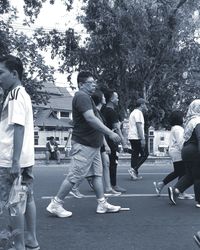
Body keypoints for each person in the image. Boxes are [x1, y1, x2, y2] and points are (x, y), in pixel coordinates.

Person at [46, 71, 122, 218]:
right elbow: (91, 119)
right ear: (81, 84)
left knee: (97, 175)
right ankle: (56, 203)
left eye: (94, 82)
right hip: (84, 144)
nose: (94, 85)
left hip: (93, 145)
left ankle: (102, 203)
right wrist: (111, 133)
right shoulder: (81, 96)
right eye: (90, 83)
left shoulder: (86, 98)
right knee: (74, 176)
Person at [0, 55, 39, 250]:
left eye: (1, 73)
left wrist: (14, 162)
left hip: (11, 160)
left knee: (14, 202)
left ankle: (19, 245)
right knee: (26, 198)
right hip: (24, 159)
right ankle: (30, 240)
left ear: (14, 74)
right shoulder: (21, 94)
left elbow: (18, 127)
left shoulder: (15, 94)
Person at [153, 111, 193, 199]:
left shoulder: (175, 128)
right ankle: (174, 189)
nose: (184, 119)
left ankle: (178, 191)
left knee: (181, 172)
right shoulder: (178, 129)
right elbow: (181, 142)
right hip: (178, 152)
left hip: (175, 152)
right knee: (181, 172)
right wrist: (187, 150)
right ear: (179, 118)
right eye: (183, 117)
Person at [168, 99, 200, 207]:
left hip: (186, 151)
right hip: (194, 151)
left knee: (190, 175)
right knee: (198, 176)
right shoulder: (198, 121)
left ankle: (175, 190)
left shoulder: (190, 121)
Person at [101, 88, 127, 193]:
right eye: (117, 97)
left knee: (104, 164)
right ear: (111, 99)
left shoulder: (102, 110)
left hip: (102, 139)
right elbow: (117, 128)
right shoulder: (111, 112)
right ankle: (113, 185)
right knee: (112, 163)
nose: (118, 99)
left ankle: (104, 184)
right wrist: (123, 143)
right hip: (110, 140)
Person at [128, 98, 149, 180]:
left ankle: (134, 174)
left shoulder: (133, 112)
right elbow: (139, 126)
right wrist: (142, 138)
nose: (146, 106)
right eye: (145, 104)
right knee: (145, 154)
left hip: (132, 136)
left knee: (135, 155)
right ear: (142, 105)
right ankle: (133, 169)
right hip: (137, 137)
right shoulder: (138, 112)